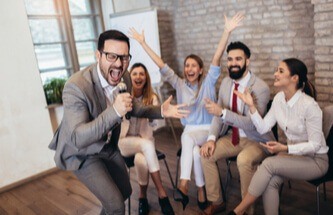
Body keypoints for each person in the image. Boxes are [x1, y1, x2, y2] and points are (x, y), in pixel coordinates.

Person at [48, 29, 188, 215]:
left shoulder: (125, 76)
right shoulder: (76, 86)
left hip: (108, 146)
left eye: (124, 58)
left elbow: (131, 106)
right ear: (98, 55)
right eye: (112, 56)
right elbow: (77, 138)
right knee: (115, 206)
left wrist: (160, 110)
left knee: (124, 192)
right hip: (83, 153)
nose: (119, 64)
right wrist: (114, 111)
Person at [129, 13, 244, 211]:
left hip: (209, 130)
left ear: (200, 70)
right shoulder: (179, 84)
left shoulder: (208, 82)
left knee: (187, 139)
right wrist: (143, 43)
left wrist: (226, 31)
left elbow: (217, 56)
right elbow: (160, 64)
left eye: (193, 65)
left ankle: (183, 184)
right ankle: (201, 192)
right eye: (186, 65)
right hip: (191, 131)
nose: (189, 68)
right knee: (194, 152)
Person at [227, 58, 329, 215]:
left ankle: (238, 211)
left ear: (294, 78)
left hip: (316, 160)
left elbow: (315, 145)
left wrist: (286, 148)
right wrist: (251, 106)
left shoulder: (309, 106)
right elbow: (263, 127)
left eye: (280, 71)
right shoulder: (279, 100)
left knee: (268, 164)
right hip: (295, 157)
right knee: (271, 181)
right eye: (277, 70)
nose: (275, 74)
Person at [200, 41, 275, 215]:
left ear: (247, 61)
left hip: (257, 140)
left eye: (238, 59)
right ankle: (217, 201)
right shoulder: (226, 82)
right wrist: (211, 139)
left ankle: (246, 210)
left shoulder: (260, 88)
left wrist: (223, 113)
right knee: (205, 154)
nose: (233, 63)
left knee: (243, 160)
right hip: (232, 138)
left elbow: (252, 123)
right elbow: (218, 117)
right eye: (230, 59)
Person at [118, 63, 173, 215]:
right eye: (134, 74)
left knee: (141, 160)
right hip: (125, 142)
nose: (138, 77)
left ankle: (142, 198)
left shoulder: (152, 97)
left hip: (144, 142)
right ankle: (162, 194)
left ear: (146, 78)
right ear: (129, 78)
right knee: (147, 145)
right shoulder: (122, 96)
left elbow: (154, 125)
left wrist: (151, 115)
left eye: (142, 74)